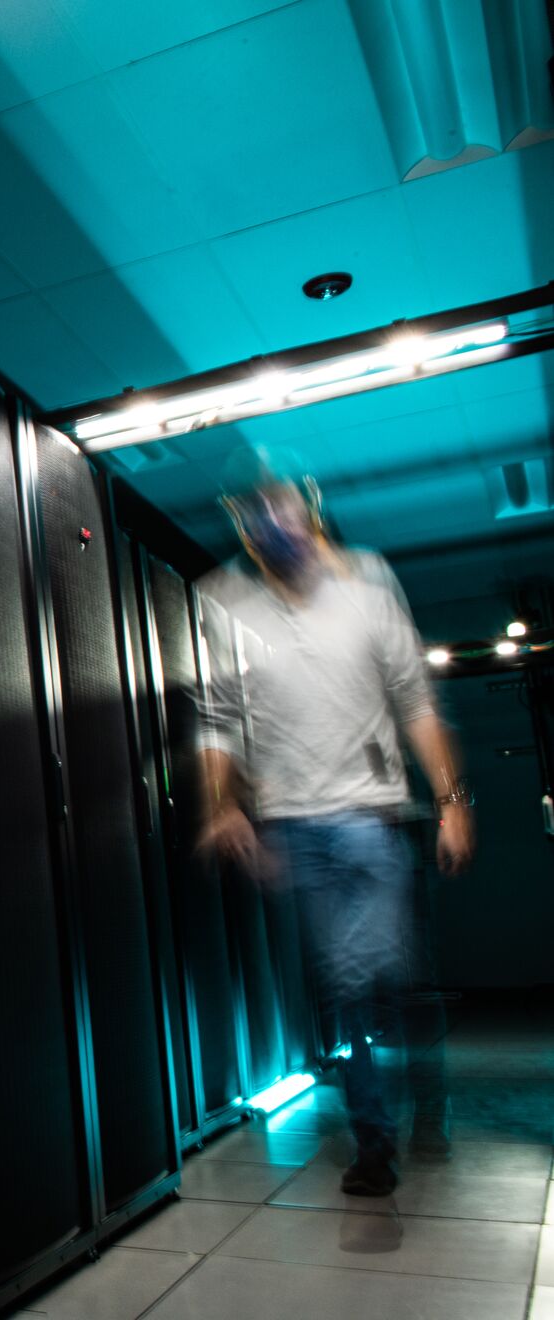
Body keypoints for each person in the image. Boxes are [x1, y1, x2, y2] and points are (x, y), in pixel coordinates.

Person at [193, 446, 475, 1196]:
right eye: (254, 514)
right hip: (292, 824)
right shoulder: (223, 597)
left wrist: (450, 803)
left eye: (283, 506)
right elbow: (217, 720)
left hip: (374, 816)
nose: (270, 522)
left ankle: (428, 1104)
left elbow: (415, 700)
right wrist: (221, 805)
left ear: (309, 511)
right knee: (348, 989)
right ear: (243, 528)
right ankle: (374, 1142)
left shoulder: (368, 580)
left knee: (390, 974)